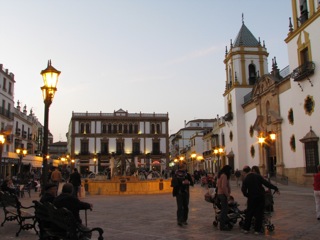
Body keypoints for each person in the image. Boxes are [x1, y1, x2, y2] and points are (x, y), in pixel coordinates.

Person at [241, 165, 280, 235]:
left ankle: (246, 229)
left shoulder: (246, 179)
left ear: (244, 172)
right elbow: (266, 183)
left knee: (249, 213)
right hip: (260, 197)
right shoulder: (258, 176)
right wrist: (275, 188)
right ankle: (257, 230)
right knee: (259, 213)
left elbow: (243, 190)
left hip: (251, 198)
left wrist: (248, 195)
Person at [171, 162, 194, 226]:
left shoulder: (186, 174)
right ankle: (181, 220)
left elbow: (191, 183)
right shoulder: (177, 174)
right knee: (182, 206)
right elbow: (174, 183)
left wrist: (188, 182)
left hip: (183, 192)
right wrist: (183, 182)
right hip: (181, 192)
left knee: (183, 206)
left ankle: (182, 220)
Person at [216, 165, 232, 231]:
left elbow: (217, 185)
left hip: (219, 194)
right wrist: (227, 195)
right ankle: (222, 226)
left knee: (224, 209)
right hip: (223, 194)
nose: (231, 171)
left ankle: (225, 223)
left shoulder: (220, 175)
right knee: (224, 210)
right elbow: (224, 186)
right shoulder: (224, 176)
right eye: (230, 170)